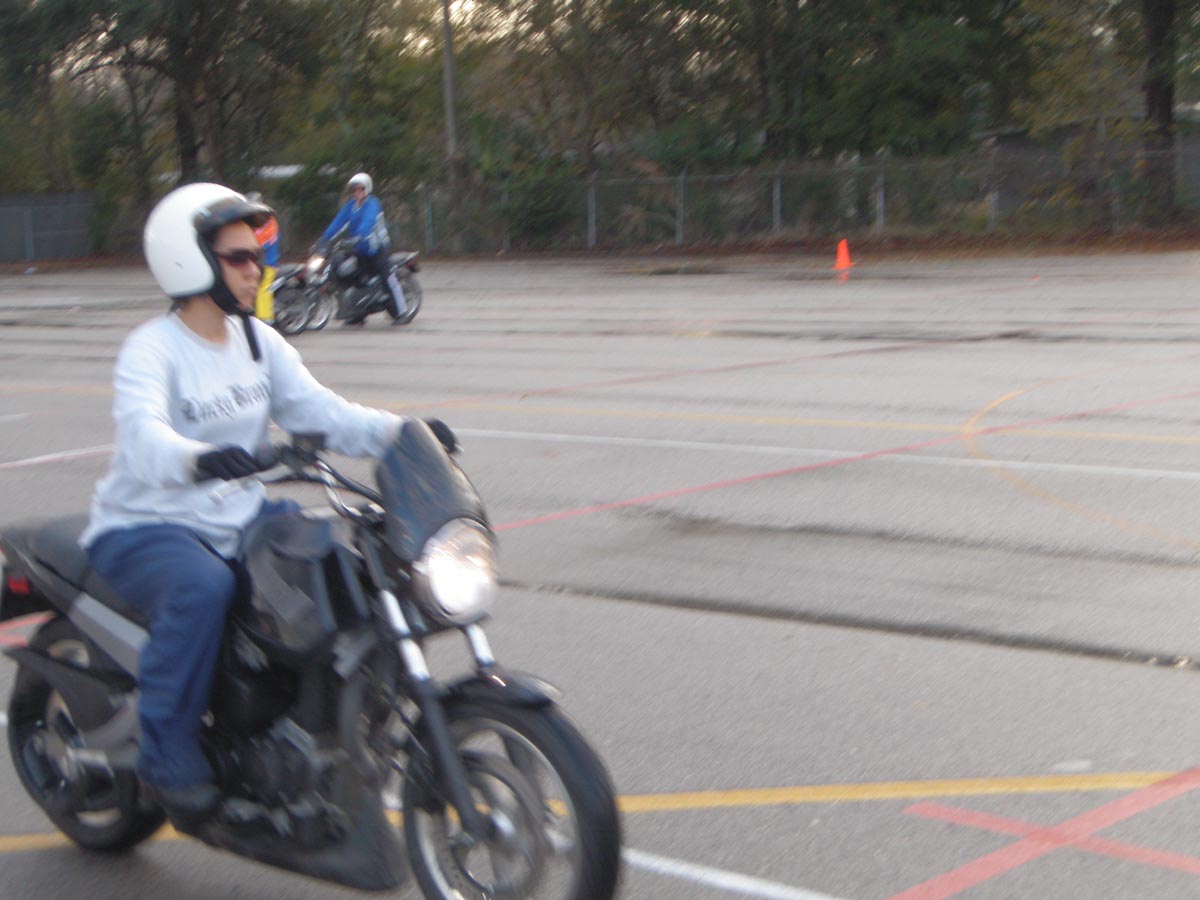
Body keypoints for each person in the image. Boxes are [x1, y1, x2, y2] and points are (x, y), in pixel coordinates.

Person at [78, 183, 422, 825]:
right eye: (238, 257)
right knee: (202, 588)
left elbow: (321, 411)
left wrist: (405, 433)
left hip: (234, 516)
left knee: (334, 562)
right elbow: (144, 437)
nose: (257, 269)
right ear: (190, 262)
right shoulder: (153, 348)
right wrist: (200, 458)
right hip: (146, 525)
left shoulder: (259, 341)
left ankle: (314, 719)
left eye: (257, 255)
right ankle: (166, 755)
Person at [318, 172, 406, 323]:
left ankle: (402, 311)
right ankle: (356, 313)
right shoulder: (350, 206)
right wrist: (324, 239)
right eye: (354, 190)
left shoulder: (372, 204)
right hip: (360, 249)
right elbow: (338, 223)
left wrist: (359, 236)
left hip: (377, 249)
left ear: (367, 189)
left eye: (360, 189)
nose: (357, 192)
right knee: (348, 274)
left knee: (387, 277)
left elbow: (368, 222)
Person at [245, 191, 280, 325]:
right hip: (256, 262)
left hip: (268, 263)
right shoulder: (252, 223)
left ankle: (266, 320)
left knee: (262, 290)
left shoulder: (269, 223)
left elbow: (261, 243)